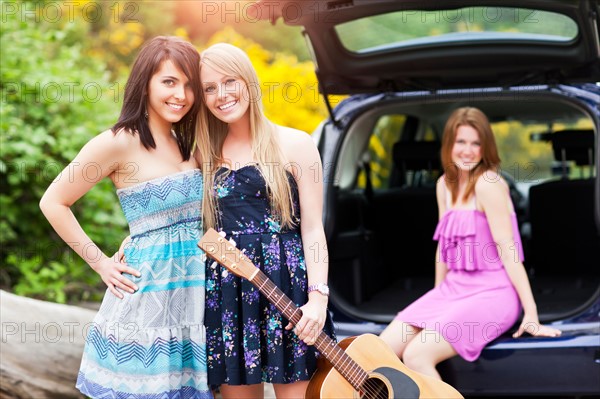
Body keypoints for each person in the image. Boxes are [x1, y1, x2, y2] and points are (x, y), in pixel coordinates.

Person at [39, 36, 212, 399]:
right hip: (147, 303)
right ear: (144, 82)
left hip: (196, 299)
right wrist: (100, 263)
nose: (181, 94)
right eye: (169, 81)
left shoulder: (191, 142)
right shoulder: (117, 142)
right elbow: (53, 201)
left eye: (189, 85)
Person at [379, 107, 562, 380]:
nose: (468, 150)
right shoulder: (444, 185)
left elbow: (509, 252)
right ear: (449, 145)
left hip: (494, 293)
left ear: (485, 148)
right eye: (461, 142)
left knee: (416, 356)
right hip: (453, 290)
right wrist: (437, 297)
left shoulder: (488, 184)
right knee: (378, 351)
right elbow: (443, 248)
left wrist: (531, 314)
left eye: (476, 143)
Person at [195, 43, 335, 398]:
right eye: (209, 88)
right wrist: (130, 242)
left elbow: (313, 229)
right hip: (228, 294)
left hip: (289, 291)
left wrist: (318, 299)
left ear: (249, 81)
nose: (221, 95)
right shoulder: (203, 154)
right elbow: (172, 211)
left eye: (230, 81)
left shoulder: (296, 145)